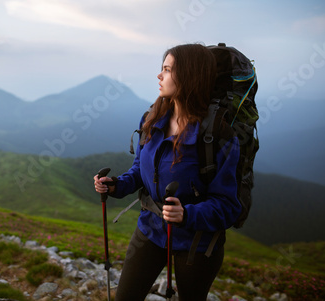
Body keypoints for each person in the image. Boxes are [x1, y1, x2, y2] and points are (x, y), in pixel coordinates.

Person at [93, 43, 241, 301]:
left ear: (189, 76)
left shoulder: (218, 136)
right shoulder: (152, 117)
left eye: (167, 70)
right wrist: (116, 185)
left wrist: (186, 214)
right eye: (162, 69)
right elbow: (141, 170)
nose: (159, 76)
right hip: (151, 228)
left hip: (197, 242)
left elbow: (228, 205)